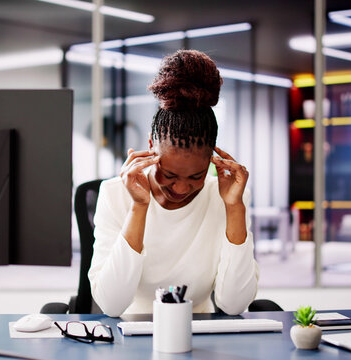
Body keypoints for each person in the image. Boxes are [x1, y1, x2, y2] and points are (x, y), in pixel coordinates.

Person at [88, 50, 259, 317]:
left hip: (200, 330)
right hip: (132, 333)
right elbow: (111, 305)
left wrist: (235, 208)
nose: (180, 188)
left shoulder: (228, 199)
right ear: (149, 148)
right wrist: (139, 207)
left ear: (213, 160)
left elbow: (234, 305)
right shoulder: (114, 195)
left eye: (196, 176)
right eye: (169, 175)